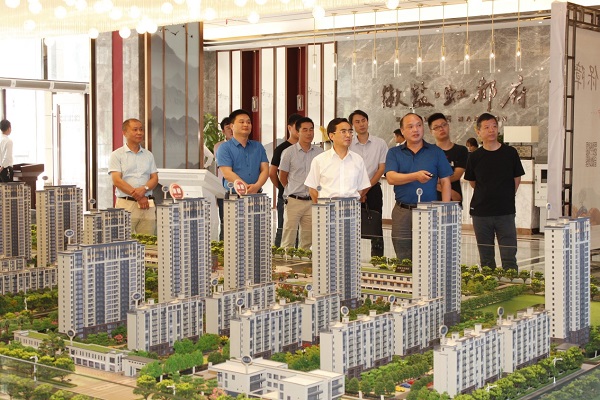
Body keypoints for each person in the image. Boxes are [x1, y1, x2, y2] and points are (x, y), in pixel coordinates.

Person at [385, 113, 453, 261]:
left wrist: (445, 209)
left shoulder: (436, 152)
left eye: (419, 125)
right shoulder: (394, 152)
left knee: (429, 256)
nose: (415, 130)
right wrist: (415, 176)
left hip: (429, 210)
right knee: (403, 257)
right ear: (402, 131)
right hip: (402, 211)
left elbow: (446, 182)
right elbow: (391, 178)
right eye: (410, 126)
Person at [464, 113, 525, 271]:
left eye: (494, 126)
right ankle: (489, 282)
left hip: (505, 211)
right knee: (486, 258)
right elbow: (473, 182)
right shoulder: (474, 157)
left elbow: (516, 178)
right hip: (481, 212)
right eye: (486, 127)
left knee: (509, 255)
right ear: (478, 132)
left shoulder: (510, 153)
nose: (491, 130)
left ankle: (511, 280)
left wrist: (506, 195)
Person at [278, 117, 323, 250]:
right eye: (305, 130)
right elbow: (282, 176)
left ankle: (304, 262)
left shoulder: (320, 153)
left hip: (311, 201)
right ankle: (286, 262)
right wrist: (291, 188)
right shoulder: (288, 152)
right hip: (294, 200)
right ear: (297, 132)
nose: (309, 133)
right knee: (288, 239)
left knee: (307, 241)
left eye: (311, 129)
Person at [109, 118, 159, 235]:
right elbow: (117, 181)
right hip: (126, 204)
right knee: (122, 239)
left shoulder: (148, 155)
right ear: (124, 133)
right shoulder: (116, 155)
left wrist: (144, 189)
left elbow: (154, 178)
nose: (139, 133)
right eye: (135, 130)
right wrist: (139, 197)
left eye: (141, 129)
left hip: (147, 204)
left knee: (148, 241)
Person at [349, 109, 387, 257]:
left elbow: (381, 168)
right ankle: (352, 258)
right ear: (352, 125)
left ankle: (377, 260)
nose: (361, 124)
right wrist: (358, 191)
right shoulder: (349, 144)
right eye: (357, 122)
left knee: (375, 225)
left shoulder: (380, 143)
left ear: (368, 121)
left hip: (373, 189)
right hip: (352, 190)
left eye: (363, 120)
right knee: (351, 225)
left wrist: (365, 190)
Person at [305, 117, 370, 202]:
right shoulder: (319, 160)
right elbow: (313, 189)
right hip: (327, 207)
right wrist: (322, 206)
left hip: (351, 208)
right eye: (343, 132)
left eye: (350, 131)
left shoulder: (358, 159)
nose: (348, 135)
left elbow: (363, 187)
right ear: (331, 136)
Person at [216, 109, 269, 194]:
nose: (246, 125)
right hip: (234, 195)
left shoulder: (258, 146)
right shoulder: (224, 148)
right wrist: (245, 188)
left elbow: (265, 170)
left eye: (248, 122)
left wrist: (256, 186)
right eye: (241, 122)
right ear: (232, 126)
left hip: (256, 193)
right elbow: (227, 173)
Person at [269, 113, 302, 247]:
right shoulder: (282, 149)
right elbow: (272, 173)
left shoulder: (309, 149)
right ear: (289, 128)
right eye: (297, 127)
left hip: (305, 197)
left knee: (302, 232)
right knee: (284, 230)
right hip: (286, 197)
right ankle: (278, 257)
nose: (300, 131)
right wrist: (284, 188)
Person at [427, 113, 468, 202]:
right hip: (432, 200)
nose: (441, 129)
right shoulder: (428, 152)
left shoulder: (461, 150)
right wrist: (448, 190)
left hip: (454, 201)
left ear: (448, 126)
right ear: (431, 132)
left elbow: (456, 175)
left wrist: (434, 181)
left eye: (443, 125)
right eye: (436, 127)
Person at [214, 117, 233, 241]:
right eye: (227, 128)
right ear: (223, 131)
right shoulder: (219, 146)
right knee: (224, 221)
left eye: (232, 127)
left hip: (240, 189)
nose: (231, 130)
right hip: (223, 188)